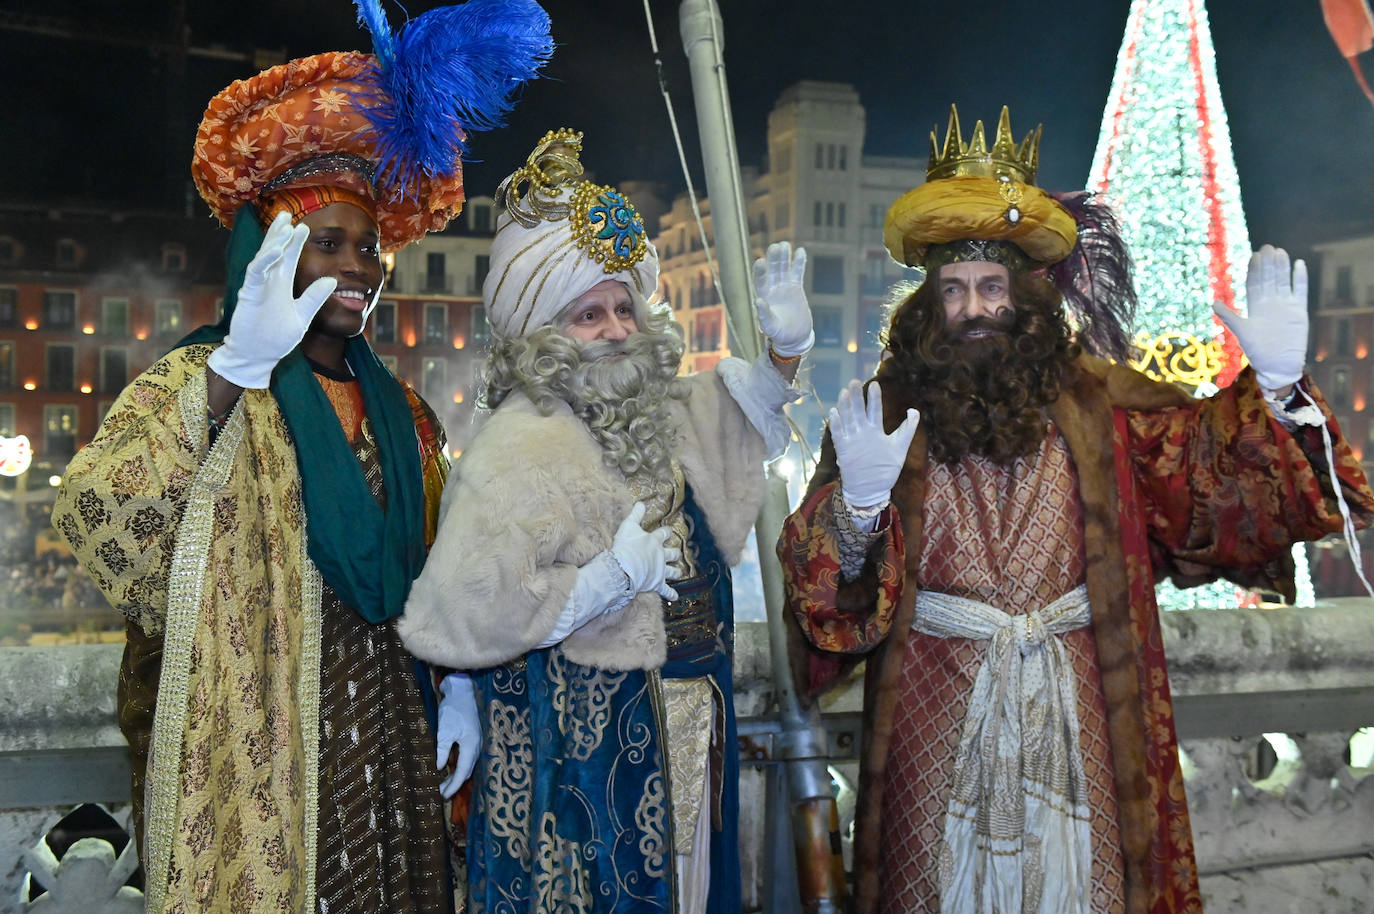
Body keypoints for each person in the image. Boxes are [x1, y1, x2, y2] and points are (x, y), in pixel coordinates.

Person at [778, 106, 1374, 914]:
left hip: (1080, 710)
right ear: (928, 303)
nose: (975, 308)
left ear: (1023, 296)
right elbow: (825, 607)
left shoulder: (1100, 406)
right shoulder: (882, 415)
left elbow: (1208, 483)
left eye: (992, 287)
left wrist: (1273, 392)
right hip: (931, 717)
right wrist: (855, 507)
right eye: (953, 290)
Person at [50, 2, 551, 911]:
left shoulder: (407, 415)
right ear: (271, 252)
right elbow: (102, 521)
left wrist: (460, 687)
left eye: (370, 247)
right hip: (263, 759)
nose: (361, 266)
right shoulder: (206, 378)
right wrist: (238, 370)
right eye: (330, 243)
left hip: (393, 750)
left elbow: (449, 571)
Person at [397, 128, 812, 914]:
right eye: (590, 314)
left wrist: (784, 354)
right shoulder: (514, 446)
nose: (619, 328)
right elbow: (470, 605)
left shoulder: (654, 410)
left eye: (625, 306)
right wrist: (608, 578)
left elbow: (731, 421)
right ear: (543, 334)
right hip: (580, 762)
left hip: (691, 729)